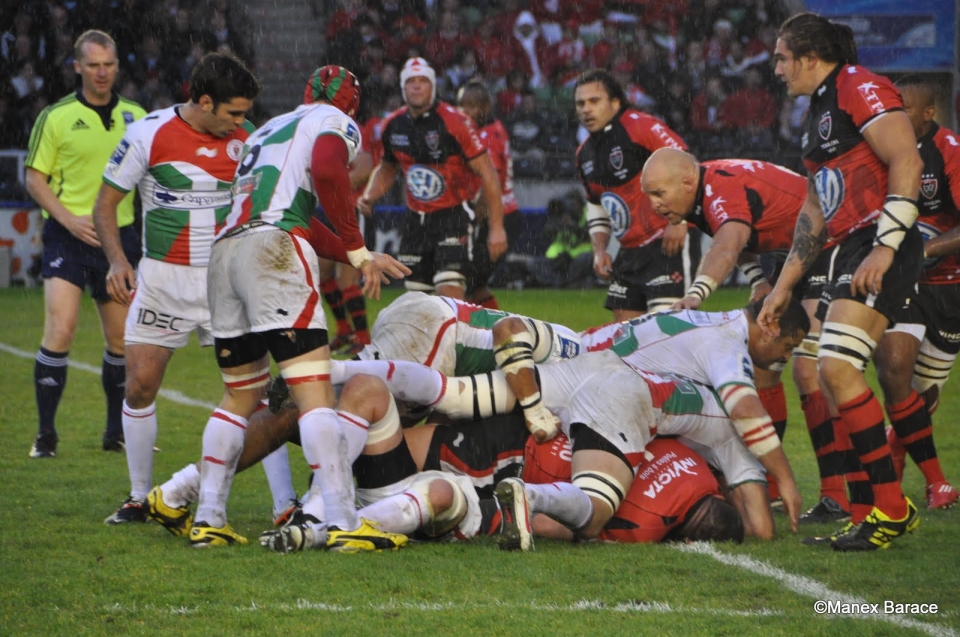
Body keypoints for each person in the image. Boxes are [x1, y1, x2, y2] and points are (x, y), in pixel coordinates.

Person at [187, 65, 410, 549]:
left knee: (241, 397)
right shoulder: (336, 121)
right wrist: (354, 244)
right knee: (312, 396)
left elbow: (295, 213)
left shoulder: (267, 128)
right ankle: (344, 523)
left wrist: (361, 254)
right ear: (351, 105)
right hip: (274, 252)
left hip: (226, 253)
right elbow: (330, 170)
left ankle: (208, 518)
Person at [760, 12, 924, 551]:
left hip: (880, 241)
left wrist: (886, 243)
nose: (776, 68)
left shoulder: (859, 85)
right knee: (832, 376)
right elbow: (814, 207)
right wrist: (785, 284)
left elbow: (906, 157)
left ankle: (890, 507)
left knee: (834, 369)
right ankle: (878, 507)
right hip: (844, 248)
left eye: (782, 57)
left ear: (810, 56)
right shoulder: (816, 110)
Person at [92, 53, 261, 525]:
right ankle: (139, 497)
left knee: (256, 394)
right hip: (163, 280)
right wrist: (118, 260)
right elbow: (105, 205)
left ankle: (286, 503)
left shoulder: (248, 140)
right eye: (233, 113)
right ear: (204, 101)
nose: (240, 123)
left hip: (226, 281)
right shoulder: (148, 132)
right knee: (140, 387)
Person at [640, 149, 851, 521]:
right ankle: (767, 479)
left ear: (687, 180)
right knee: (766, 364)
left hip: (828, 245)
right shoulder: (703, 193)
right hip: (791, 254)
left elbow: (729, 243)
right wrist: (760, 281)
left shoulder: (720, 190)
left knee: (811, 370)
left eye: (659, 193)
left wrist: (696, 294)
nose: (654, 205)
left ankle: (839, 494)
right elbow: (743, 238)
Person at [495, 299, 808, 538]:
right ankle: (517, 502)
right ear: (770, 329)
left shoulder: (698, 318)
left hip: (564, 354)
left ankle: (496, 502)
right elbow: (744, 410)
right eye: (788, 346)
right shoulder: (725, 348)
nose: (785, 357)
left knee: (466, 397)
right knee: (597, 510)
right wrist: (785, 480)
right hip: (591, 384)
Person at [25, 30, 147, 458]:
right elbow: (34, 178)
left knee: (121, 341)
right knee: (61, 329)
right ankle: (45, 436)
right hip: (67, 235)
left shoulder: (138, 116)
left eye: (109, 64)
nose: (102, 72)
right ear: (77, 67)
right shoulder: (56, 117)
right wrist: (69, 220)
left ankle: (114, 433)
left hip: (121, 238)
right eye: (93, 65)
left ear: (117, 66)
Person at [874, 76, 960, 510]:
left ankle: (896, 445)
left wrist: (924, 249)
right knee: (894, 370)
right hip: (904, 284)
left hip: (950, 287)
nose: (894, 115)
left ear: (928, 114)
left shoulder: (950, 152)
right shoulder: (881, 146)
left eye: (903, 107)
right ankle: (937, 482)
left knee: (923, 393)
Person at [358, 57, 507, 299]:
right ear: (403, 88)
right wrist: (370, 195)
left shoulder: (455, 122)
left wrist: (497, 228)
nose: (416, 86)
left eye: (423, 81)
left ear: (432, 87)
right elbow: (387, 168)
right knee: (420, 300)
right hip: (415, 221)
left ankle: (466, 336)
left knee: (449, 293)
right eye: (411, 82)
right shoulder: (392, 125)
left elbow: (488, 172)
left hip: (453, 216)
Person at [573, 69, 696, 322]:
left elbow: (688, 163)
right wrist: (600, 250)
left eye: (594, 101)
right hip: (628, 253)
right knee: (626, 343)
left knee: (666, 334)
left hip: (666, 244)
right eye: (580, 103)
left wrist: (680, 221)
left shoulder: (640, 126)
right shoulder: (583, 153)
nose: (586, 109)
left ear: (615, 102)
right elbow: (595, 204)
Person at [457, 80, 520, 310]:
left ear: (485, 106)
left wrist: (475, 218)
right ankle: (494, 330)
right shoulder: (492, 131)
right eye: (461, 106)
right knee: (474, 285)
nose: (465, 112)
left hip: (496, 215)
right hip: (503, 213)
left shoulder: (487, 137)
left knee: (462, 281)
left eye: (471, 106)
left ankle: (474, 333)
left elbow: (489, 183)